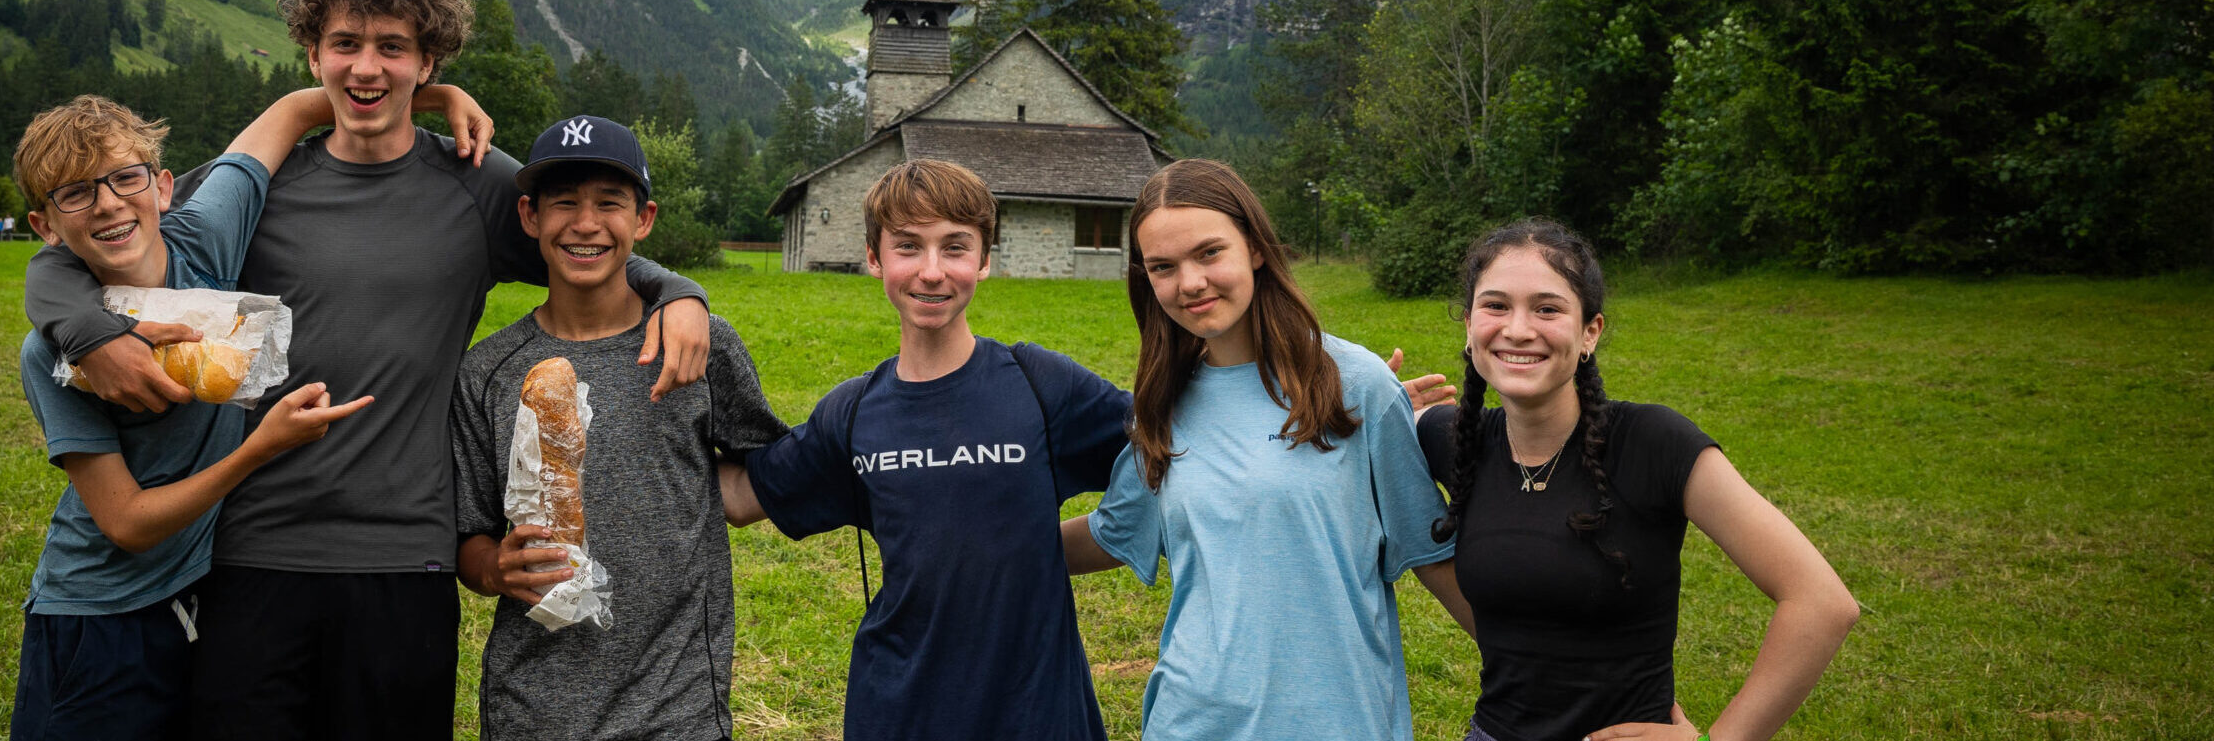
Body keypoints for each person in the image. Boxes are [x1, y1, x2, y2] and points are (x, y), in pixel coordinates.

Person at [21, 0, 716, 739]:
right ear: (313, 54)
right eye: (345, 42)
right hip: (250, 557)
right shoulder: (259, 187)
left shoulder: (475, 183)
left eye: (394, 45)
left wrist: (677, 289)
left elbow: (587, 237)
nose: (366, 66)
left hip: (405, 563)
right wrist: (78, 325)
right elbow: (107, 242)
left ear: (428, 64)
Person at [10, 85, 475, 739]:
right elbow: (128, 523)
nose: (110, 202)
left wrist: (437, 93)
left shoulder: (206, 238)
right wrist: (259, 449)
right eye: (76, 192)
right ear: (45, 225)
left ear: (163, 186)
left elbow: (294, 110)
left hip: (200, 606)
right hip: (100, 615)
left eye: (124, 179)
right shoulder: (54, 355)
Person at [719, 159, 1135, 741]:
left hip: (1037, 711)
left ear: (985, 260)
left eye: (956, 248)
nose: (932, 271)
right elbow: (740, 497)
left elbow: (1166, 440)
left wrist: (1068, 543)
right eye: (908, 247)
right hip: (900, 709)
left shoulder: (1041, 384)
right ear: (874, 257)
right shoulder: (854, 411)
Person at [1061, 158, 1472, 741]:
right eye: (1163, 266)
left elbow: (1432, 552)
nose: (1191, 283)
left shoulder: (1356, 385)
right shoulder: (1162, 404)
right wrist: (977, 555)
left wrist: (1555, 676)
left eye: (1209, 253)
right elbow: (1112, 530)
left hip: (1339, 722)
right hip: (1192, 721)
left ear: (1254, 247)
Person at [1411, 220, 1859, 741]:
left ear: (1589, 333)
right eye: (1495, 306)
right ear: (1468, 326)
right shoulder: (1454, 440)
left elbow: (1821, 601)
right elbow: (1359, 434)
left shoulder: (1653, 443)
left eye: (1547, 308)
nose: (1517, 329)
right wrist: (1388, 403)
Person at [452, 115, 787, 740]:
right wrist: (494, 568)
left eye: (610, 203)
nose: (585, 223)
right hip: (534, 706)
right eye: (564, 204)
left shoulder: (697, 347)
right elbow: (467, 535)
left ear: (644, 220)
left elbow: (772, 465)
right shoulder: (488, 373)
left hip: (678, 702)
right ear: (529, 217)